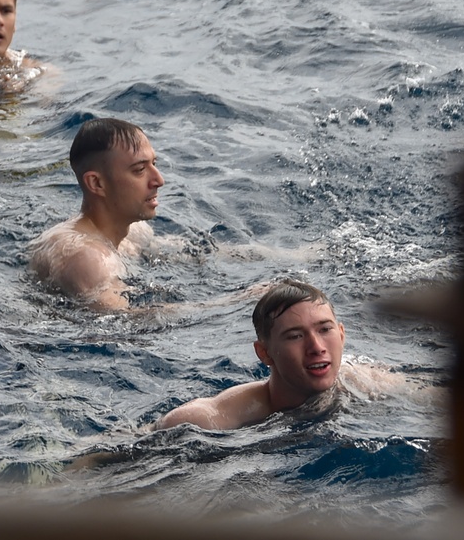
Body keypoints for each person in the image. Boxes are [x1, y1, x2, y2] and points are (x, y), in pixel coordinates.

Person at [154, 279, 438, 431]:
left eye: (324, 329)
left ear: (341, 334)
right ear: (264, 353)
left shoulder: (367, 381)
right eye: (295, 336)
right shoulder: (211, 419)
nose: (316, 346)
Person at [28, 118, 164, 312]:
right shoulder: (85, 257)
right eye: (140, 170)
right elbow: (127, 321)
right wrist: (218, 308)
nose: (159, 180)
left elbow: (182, 254)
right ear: (96, 184)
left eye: (154, 163)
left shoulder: (135, 231)